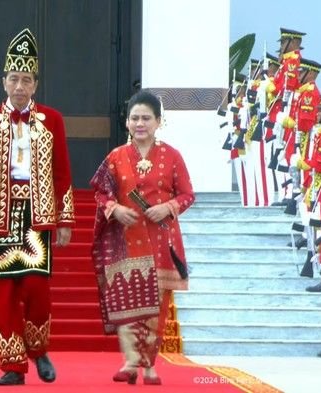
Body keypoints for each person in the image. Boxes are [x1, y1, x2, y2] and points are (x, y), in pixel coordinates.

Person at [0, 27, 74, 386]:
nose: (20, 86)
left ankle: (39, 352)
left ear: (36, 84)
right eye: (14, 78)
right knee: (2, 296)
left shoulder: (52, 121)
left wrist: (65, 219)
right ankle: (12, 366)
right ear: (4, 81)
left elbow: (63, 172)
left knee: (37, 291)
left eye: (27, 79)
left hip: (36, 217)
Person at [90, 90, 195, 385]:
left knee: (156, 309)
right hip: (126, 240)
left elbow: (188, 195)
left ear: (158, 121)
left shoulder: (172, 156)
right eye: (134, 118)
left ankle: (149, 366)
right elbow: (100, 191)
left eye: (146, 118)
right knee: (127, 305)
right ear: (126, 122)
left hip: (162, 240)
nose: (140, 123)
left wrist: (168, 207)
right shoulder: (115, 157)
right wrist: (114, 209)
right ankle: (130, 362)